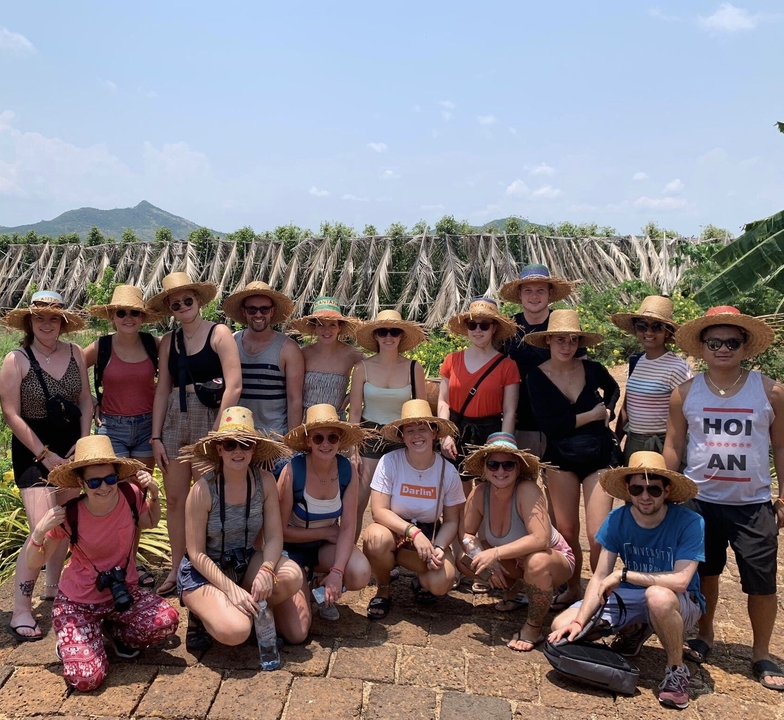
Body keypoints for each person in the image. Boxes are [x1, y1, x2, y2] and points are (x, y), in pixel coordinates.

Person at [664, 306, 784, 691]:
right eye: (714, 342)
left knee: (761, 583)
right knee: (705, 574)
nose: (723, 348)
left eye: (732, 342)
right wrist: (665, 489)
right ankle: (706, 634)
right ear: (702, 347)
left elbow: (781, 446)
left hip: (752, 503)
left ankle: (762, 652)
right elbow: (674, 445)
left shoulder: (770, 390)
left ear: (745, 346)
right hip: (701, 501)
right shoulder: (684, 394)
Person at [548, 452, 704, 710]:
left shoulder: (690, 522)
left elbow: (681, 581)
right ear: (628, 490)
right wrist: (579, 621)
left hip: (678, 599)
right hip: (632, 595)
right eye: (637, 488)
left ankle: (676, 671)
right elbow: (599, 577)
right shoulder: (617, 519)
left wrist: (624, 575)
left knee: (658, 596)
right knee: (561, 625)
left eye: (653, 489)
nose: (645, 496)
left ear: (667, 491)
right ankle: (634, 629)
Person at [24, 435, 179, 691]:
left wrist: (153, 492)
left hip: (121, 594)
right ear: (82, 483)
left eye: (110, 479)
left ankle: (112, 634)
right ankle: (77, 643)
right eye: (94, 481)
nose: (104, 487)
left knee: (166, 621)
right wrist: (39, 533)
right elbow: (34, 561)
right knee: (87, 678)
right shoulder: (70, 514)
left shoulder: (130, 495)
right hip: (78, 602)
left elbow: (150, 521)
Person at [1, 291, 93, 641]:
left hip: (71, 449)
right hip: (34, 451)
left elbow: (84, 399)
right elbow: (10, 413)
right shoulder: (17, 359)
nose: (46, 323)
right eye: (39, 318)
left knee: (66, 523)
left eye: (53, 318)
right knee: (42, 529)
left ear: (62, 323)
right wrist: (44, 454)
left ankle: (54, 588)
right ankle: (21, 607)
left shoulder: (74, 353)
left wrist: (83, 444)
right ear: (29, 322)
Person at [177, 406, 303, 650]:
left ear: (254, 448)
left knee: (292, 576)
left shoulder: (264, 481)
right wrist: (230, 589)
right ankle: (202, 616)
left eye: (245, 444)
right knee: (237, 631)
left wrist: (267, 569)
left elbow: (275, 535)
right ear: (219, 448)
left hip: (242, 561)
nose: (238, 451)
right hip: (204, 571)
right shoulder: (203, 490)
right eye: (230, 444)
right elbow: (196, 554)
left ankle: (245, 605)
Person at [149, 272, 242, 597]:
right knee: (175, 500)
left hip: (209, 421)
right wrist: (156, 436)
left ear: (199, 302)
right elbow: (162, 390)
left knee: (208, 500)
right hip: (176, 419)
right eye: (176, 304)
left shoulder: (219, 334)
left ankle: (209, 567)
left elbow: (234, 385)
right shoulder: (168, 342)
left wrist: (217, 433)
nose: (183, 306)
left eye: (188, 300)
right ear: (170, 309)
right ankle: (177, 567)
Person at [525, 309, 620, 609]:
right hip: (560, 458)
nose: (566, 346)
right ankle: (573, 587)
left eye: (573, 340)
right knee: (566, 531)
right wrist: (590, 415)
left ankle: (600, 595)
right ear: (549, 340)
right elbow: (549, 424)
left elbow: (614, 389)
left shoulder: (592, 368)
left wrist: (609, 411)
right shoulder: (536, 376)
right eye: (560, 340)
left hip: (599, 454)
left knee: (597, 534)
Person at [457, 433, 574, 651]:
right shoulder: (479, 493)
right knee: (465, 560)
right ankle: (515, 586)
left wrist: (495, 554)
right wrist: (490, 565)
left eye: (508, 465)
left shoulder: (527, 490)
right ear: (484, 467)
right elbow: (467, 535)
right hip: (514, 560)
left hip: (554, 558)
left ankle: (534, 626)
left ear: (518, 468)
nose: (500, 471)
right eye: (493, 464)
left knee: (537, 562)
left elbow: (541, 539)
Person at [363, 399, 465, 618]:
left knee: (442, 583)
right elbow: (379, 511)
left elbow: (451, 521)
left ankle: (421, 580)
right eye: (410, 431)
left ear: (435, 433)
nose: (417, 436)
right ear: (402, 436)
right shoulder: (389, 461)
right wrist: (412, 532)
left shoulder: (448, 472)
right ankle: (384, 586)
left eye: (423, 429)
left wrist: (439, 546)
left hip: (429, 534)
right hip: (395, 531)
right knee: (374, 539)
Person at [277, 404, 371, 630]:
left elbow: (348, 526)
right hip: (291, 550)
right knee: (298, 630)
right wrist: (326, 532)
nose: (326, 444)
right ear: (308, 441)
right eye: (318, 438)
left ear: (340, 441)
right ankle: (295, 594)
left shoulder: (347, 471)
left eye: (333, 437)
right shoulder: (292, 471)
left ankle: (322, 585)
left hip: (323, 548)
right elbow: (278, 532)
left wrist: (337, 572)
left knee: (360, 573)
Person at [349, 309, 427, 532]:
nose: (388, 337)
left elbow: (420, 411)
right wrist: (353, 448)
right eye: (383, 332)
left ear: (401, 335)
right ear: (375, 336)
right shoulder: (362, 368)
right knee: (358, 499)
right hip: (369, 433)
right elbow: (354, 411)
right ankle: (348, 556)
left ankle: (392, 552)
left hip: (403, 435)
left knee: (400, 499)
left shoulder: (414, 367)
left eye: (394, 331)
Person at [438, 297, 520, 494]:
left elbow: (509, 411)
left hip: (491, 432)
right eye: (472, 324)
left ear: (494, 329)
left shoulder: (507, 366)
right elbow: (443, 401)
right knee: (457, 493)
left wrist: (503, 445)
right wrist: (445, 435)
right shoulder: (452, 360)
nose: (477, 330)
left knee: (489, 492)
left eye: (484, 325)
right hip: (457, 430)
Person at [500, 263, 579, 458]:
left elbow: (581, 368)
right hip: (521, 422)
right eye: (528, 291)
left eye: (540, 290)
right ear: (519, 294)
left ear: (550, 293)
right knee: (520, 483)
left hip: (560, 421)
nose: (534, 296)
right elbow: (498, 372)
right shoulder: (509, 328)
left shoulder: (563, 324)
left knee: (557, 485)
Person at [84, 285, 161, 471]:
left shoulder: (154, 344)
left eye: (134, 312)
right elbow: (71, 371)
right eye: (121, 313)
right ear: (112, 317)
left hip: (148, 426)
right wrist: (91, 402)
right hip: (111, 427)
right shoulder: (101, 347)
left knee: (140, 486)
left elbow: (176, 371)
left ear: (142, 317)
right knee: (115, 485)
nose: (128, 318)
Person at [610, 295, 692, 461]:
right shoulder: (636, 361)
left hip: (664, 444)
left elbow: (688, 414)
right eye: (642, 326)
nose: (648, 332)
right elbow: (627, 407)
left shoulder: (677, 368)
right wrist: (616, 441)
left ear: (667, 331)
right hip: (634, 441)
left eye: (656, 327)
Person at [223, 281, 304, 435]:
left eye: (264, 309)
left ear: (272, 311)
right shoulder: (231, 343)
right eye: (252, 309)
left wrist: (292, 442)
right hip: (237, 436)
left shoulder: (288, 349)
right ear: (244, 311)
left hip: (274, 436)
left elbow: (295, 399)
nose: (258, 315)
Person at [288, 296, 365, 417]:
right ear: (314, 327)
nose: (326, 330)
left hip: (337, 421)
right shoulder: (303, 353)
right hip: (307, 421)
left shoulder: (351, 354)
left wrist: (349, 399)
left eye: (332, 325)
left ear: (340, 327)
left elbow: (374, 370)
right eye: (321, 325)